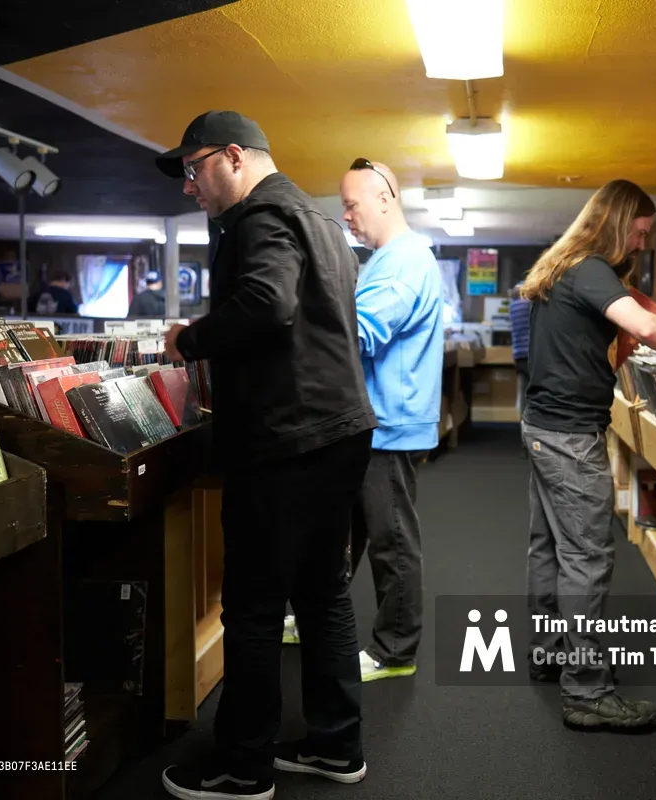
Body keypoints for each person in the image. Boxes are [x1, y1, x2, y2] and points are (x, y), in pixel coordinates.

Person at [156, 111, 378, 800]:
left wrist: (189, 340)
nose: (189, 186)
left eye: (193, 169)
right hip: (338, 430)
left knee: (253, 605)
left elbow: (267, 302)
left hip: (286, 439)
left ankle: (242, 765)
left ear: (233, 156)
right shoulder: (322, 222)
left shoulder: (258, 217)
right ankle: (336, 746)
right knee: (322, 593)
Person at [519, 179, 656, 732]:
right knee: (586, 558)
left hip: (543, 426)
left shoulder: (563, 265)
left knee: (550, 547)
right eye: (639, 231)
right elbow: (647, 326)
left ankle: (549, 652)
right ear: (616, 223)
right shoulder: (590, 269)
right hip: (568, 436)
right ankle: (587, 691)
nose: (641, 243)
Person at [339, 158, 443, 682]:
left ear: (384, 198)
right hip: (372, 421)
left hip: (389, 425)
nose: (346, 215)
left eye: (351, 204)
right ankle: (311, 616)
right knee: (350, 532)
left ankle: (395, 650)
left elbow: (359, 333)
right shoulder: (385, 259)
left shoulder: (401, 261)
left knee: (392, 539)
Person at [508, 282, 531, 418]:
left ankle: (523, 422)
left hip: (518, 356)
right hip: (531, 354)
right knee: (536, 393)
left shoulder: (513, 306)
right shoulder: (528, 305)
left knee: (523, 391)